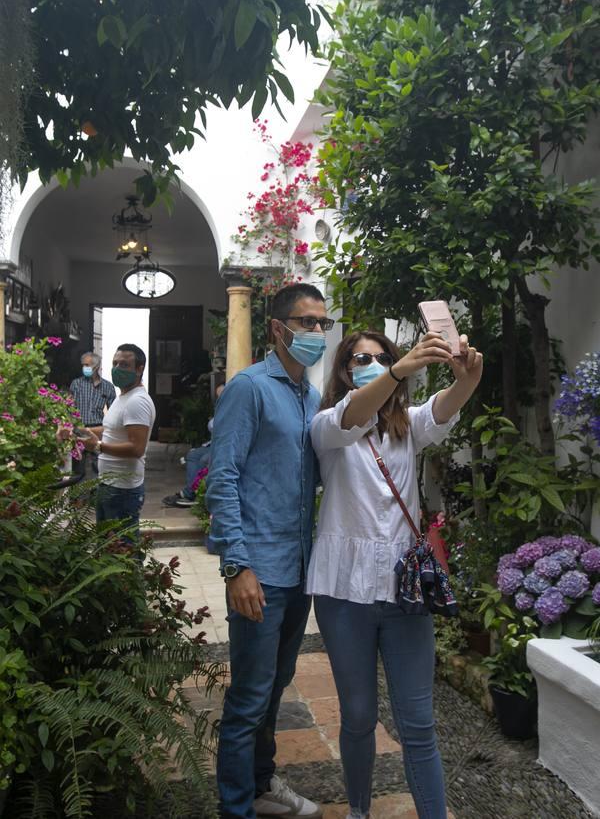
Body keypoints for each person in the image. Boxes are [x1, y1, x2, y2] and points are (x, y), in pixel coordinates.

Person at [306, 328, 483, 819]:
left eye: (380, 357)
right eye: (360, 358)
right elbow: (354, 414)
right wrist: (399, 368)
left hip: (405, 592)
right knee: (359, 717)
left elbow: (444, 408)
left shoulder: (408, 425)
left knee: (418, 723)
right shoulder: (328, 425)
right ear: (344, 369)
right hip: (345, 593)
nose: (371, 362)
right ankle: (360, 811)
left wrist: (468, 378)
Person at [206, 282, 334, 819]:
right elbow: (224, 478)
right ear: (278, 330)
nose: (318, 333)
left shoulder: (309, 395)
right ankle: (236, 807)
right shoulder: (250, 388)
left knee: (276, 686)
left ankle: (261, 782)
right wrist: (237, 566)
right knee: (249, 698)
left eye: (323, 323)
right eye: (308, 323)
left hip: (298, 566)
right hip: (258, 566)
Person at [79, 344, 156, 538]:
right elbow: (112, 429)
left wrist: (97, 446)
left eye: (124, 364)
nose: (117, 368)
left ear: (140, 369)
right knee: (109, 549)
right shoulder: (124, 397)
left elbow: (136, 448)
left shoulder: (137, 401)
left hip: (122, 490)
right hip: (110, 485)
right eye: (115, 363)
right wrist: (79, 431)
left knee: (123, 550)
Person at [162, 378, 226, 508]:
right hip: (213, 444)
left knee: (204, 460)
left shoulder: (235, 408)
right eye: (218, 397)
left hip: (226, 446)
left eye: (223, 395)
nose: (220, 399)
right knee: (193, 455)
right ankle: (191, 492)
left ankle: (190, 494)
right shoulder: (220, 408)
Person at [69, 351, 116, 479]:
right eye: (83, 365)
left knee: (99, 464)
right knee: (77, 465)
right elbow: (69, 407)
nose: (84, 368)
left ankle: (97, 493)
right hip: (79, 428)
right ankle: (76, 496)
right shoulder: (76, 384)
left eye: (87, 365)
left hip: (97, 429)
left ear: (96, 366)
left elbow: (113, 413)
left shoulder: (107, 387)